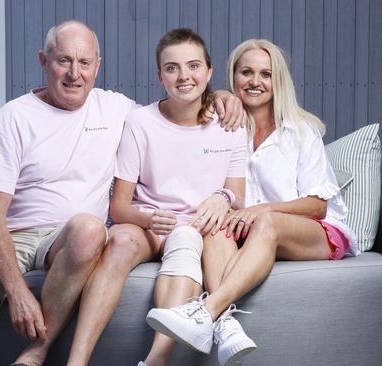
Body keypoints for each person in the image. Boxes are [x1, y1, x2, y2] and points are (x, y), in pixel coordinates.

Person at [0, 21, 245, 366]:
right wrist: (17, 292)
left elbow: (177, 107)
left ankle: (37, 353)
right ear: (44, 61)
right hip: (11, 237)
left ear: (98, 65)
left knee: (88, 229)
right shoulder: (15, 117)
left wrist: (225, 97)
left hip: (67, 240)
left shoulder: (117, 111)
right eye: (64, 60)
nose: (74, 73)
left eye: (84, 62)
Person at [145, 39, 361, 366]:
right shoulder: (222, 128)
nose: (255, 82)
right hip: (250, 232)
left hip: (314, 232)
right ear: (233, 77)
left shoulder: (301, 131)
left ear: (279, 81)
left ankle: (206, 311)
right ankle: (226, 327)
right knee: (215, 228)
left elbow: (317, 206)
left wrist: (261, 210)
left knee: (266, 222)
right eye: (246, 72)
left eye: (265, 74)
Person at [64, 28, 247, 366]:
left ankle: (156, 361)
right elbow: (119, 207)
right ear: (160, 77)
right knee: (119, 243)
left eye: (193, 66)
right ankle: (77, 361)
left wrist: (223, 197)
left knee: (186, 239)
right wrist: (146, 218)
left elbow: (237, 197)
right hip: (148, 224)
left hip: (195, 228)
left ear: (209, 72)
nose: (184, 76)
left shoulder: (230, 124)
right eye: (172, 68)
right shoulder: (139, 123)